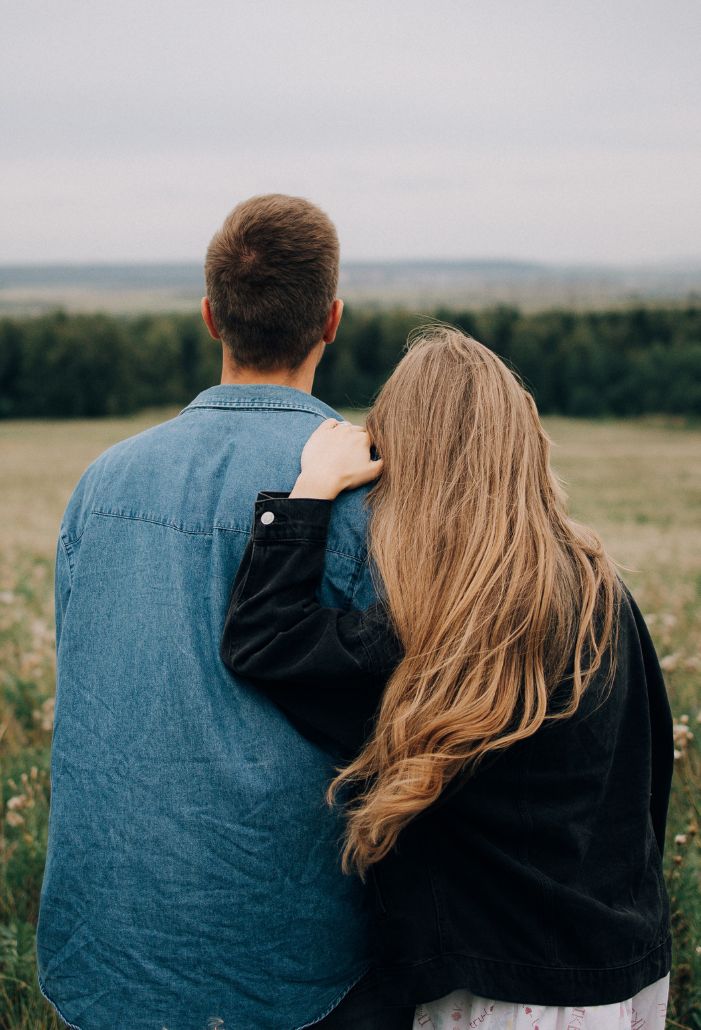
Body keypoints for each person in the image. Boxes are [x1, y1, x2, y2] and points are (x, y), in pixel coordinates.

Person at [222, 328, 673, 1030]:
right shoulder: (601, 589)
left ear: (406, 468)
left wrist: (309, 492)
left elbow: (263, 638)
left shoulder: (434, 633)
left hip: (500, 987)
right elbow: (650, 783)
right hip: (621, 969)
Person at [36, 195, 413, 1030]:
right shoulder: (374, 495)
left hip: (109, 949)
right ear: (333, 320)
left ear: (212, 316)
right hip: (306, 964)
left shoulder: (102, 486)